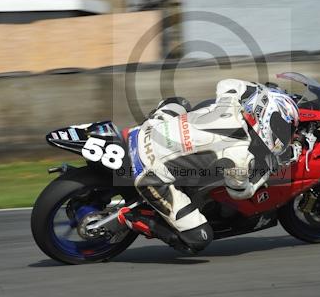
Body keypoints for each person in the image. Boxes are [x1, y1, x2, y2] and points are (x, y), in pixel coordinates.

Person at [118, 79, 301, 254]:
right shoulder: (239, 154)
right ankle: (132, 218)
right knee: (198, 239)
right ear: (267, 119)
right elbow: (240, 192)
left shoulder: (231, 103)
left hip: (145, 130)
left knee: (178, 102)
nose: (285, 134)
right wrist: (272, 167)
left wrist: (263, 91)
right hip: (148, 171)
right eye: (282, 127)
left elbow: (228, 83)